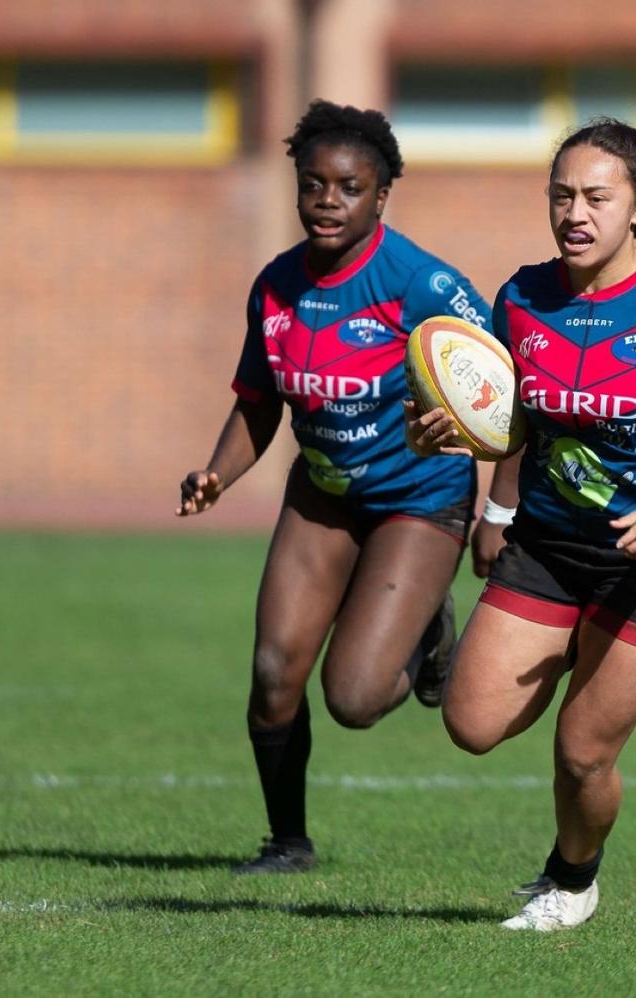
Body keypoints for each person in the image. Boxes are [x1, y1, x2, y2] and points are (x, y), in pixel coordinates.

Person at [407, 118, 636, 929]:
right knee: (471, 723)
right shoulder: (522, 298)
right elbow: (511, 424)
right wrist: (455, 441)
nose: (575, 213)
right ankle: (558, 641)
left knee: (582, 752)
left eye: (596, 197)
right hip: (551, 545)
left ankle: (571, 881)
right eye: (561, 195)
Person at [178, 99, 491, 874]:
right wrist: (216, 474)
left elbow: (503, 383)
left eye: (349, 187)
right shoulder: (276, 287)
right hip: (322, 494)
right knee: (273, 673)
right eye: (313, 184)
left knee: (353, 698)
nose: (328, 200)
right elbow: (259, 403)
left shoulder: (421, 283)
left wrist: (501, 501)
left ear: (381, 195)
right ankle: (287, 843)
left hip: (420, 497)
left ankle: (428, 633)